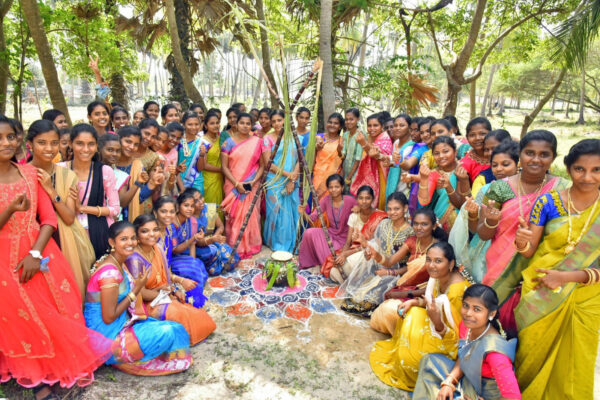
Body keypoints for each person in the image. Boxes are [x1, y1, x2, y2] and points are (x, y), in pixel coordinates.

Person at [0, 115, 112, 397]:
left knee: (51, 312)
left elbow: (49, 217)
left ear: (18, 140)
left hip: (40, 249)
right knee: (18, 316)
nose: (5, 143)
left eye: (10, 137)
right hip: (3, 256)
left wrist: (35, 253)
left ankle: (57, 367)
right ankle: (37, 382)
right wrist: (10, 210)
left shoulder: (29, 174)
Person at [513, 139, 600, 399]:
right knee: (530, 355)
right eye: (579, 169)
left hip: (586, 296)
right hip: (541, 289)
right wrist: (521, 241)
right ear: (568, 168)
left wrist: (568, 276)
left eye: (597, 170)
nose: (587, 177)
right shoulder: (547, 202)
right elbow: (530, 250)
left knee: (574, 362)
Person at [475, 130, 570, 335]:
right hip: (500, 272)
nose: (536, 159)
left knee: (530, 334)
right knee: (495, 329)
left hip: (541, 274)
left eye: (544, 154)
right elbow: (482, 233)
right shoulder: (500, 188)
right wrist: (491, 221)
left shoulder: (562, 190)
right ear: (520, 153)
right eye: (529, 153)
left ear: (553, 157)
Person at [84, 221, 192, 376]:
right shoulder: (109, 274)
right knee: (168, 332)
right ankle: (123, 358)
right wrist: (135, 291)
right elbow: (108, 317)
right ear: (111, 242)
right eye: (124, 239)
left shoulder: (117, 262)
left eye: (133, 238)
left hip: (121, 325)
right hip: (107, 338)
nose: (130, 243)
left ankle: (139, 354)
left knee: (176, 328)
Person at [369, 242, 470, 391]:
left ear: (451, 264)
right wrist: (414, 302)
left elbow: (458, 339)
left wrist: (437, 323)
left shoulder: (457, 292)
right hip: (435, 325)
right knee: (411, 312)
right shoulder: (438, 276)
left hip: (449, 344)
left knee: (411, 356)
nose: (431, 265)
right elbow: (433, 303)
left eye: (438, 261)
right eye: (428, 260)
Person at [413, 284, 521, 400]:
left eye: (477, 309)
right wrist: (449, 382)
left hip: (483, 395)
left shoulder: (495, 353)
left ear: (492, 314)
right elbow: (465, 356)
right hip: (469, 381)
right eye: (465, 306)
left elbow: (513, 397)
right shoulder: (467, 327)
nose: (468, 313)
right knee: (429, 361)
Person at [27, 120, 96, 297]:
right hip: (30, 240)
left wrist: (51, 191)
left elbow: (69, 218)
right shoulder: (21, 173)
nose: (49, 148)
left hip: (64, 240)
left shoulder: (67, 175)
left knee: (66, 292)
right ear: (29, 145)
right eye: (42, 143)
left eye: (54, 143)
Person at [125, 214, 216, 345]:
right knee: (180, 314)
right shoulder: (135, 259)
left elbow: (166, 274)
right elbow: (141, 293)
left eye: (155, 230)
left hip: (161, 294)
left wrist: (173, 289)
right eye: (145, 231)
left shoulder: (157, 248)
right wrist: (166, 293)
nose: (152, 234)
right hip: (146, 304)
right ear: (137, 236)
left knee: (195, 309)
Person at [348, 208, 443, 320]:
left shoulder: (439, 249)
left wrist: (405, 294)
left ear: (434, 226)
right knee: (363, 298)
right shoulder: (412, 241)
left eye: (424, 224)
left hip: (425, 291)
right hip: (404, 282)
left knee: (388, 309)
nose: (419, 228)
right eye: (416, 224)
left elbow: (436, 285)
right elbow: (389, 261)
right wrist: (371, 250)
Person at [449, 141, 520, 283]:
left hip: (517, 248)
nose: (499, 169)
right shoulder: (487, 189)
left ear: (518, 165)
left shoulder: (527, 193)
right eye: (494, 165)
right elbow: (475, 229)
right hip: (485, 250)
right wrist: (474, 214)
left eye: (505, 164)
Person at [336, 192, 413, 316]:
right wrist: (367, 253)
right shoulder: (384, 224)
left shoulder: (411, 232)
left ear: (405, 208)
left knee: (367, 302)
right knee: (352, 300)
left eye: (397, 209)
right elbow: (375, 245)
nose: (392, 212)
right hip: (377, 267)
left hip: (395, 274)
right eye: (390, 209)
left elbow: (410, 265)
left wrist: (389, 272)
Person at [59, 124, 120, 258]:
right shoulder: (59, 170)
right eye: (79, 143)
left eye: (91, 144)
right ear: (70, 143)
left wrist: (82, 208)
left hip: (100, 233)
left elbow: (115, 209)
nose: (85, 149)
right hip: (67, 233)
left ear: (97, 145)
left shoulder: (105, 171)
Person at [220, 113, 265, 259]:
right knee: (234, 215)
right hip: (233, 184)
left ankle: (251, 245)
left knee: (250, 214)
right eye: (242, 123)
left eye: (248, 123)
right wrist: (236, 183)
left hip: (252, 183)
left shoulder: (258, 142)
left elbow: (262, 166)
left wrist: (252, 182)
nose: (245, 126)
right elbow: (224, 167)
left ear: (252, 125)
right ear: (236, 124)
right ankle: (235, 245)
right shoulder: (228, 142)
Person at [325, 185, 387, 282]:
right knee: (333, 269)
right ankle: (353, 280)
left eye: (368, 198)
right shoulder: (354, 216)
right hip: (355, 251)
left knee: (353, 263)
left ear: (373, 199)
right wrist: (342, 255)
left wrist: (347, 254)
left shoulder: (380, 217)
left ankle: (355, 280)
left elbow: (375, 245)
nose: (364, 201)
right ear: (357, 199)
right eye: (361, 198)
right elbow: (348, 243)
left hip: (370, 253)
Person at [154, 196, 207, 307]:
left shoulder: (168, 229)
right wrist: (179, 281)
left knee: (195, 293)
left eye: (171, 212)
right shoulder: (153, 236)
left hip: (167, 273)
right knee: (186, 300)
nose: (168, 215)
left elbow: (166, 264)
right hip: (156, 280)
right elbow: (155, 270)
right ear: (155, 213)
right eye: (163, 211)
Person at [297, 174, 357, 269]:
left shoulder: (351, 201)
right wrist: (303, 213)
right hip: (330, 234)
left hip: (345, 240)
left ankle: (327, 263)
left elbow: (362, 215)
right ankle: (310, 262)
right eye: (331, 187)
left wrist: (359, 210)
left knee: (332, 259)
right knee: (309, 232)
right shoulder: (325, 200)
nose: (333, 190)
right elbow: (312, 218)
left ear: (342, 188)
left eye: (336, 187)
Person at [263, 109, 300, 253]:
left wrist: (293, 177)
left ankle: (290, 242)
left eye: (279, 120)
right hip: (274, 181)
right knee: (276, 211)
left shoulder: (295, 137)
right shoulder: (268, 139)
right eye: (274, 121)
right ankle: (275, 242)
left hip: (293, 179)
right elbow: (268, 163)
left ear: (285, 120)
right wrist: (287, 175)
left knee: (291, 211)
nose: (277, 124)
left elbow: (300, 160)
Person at [417, 136, 467, 232]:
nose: (441, 156)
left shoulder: (464, 168)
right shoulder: (434, 174)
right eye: (436, 153)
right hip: (441, 221)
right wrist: (423, 179)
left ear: (455, 152)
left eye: (446, 151)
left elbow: (462, 202)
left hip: (463, 220)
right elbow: (423, 201)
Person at [116, 126, 162, 222]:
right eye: (128, 142)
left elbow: (138, 198)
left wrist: (152, 184)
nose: (132, 147)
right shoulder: (109, 162)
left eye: (136, 144)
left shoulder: (137, 166)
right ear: (118, 140)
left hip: (128, 217)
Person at [352, 113, 393, 209]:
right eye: (369, 126)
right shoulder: (369, 137)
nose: (372, 128)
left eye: (375, 125)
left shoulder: (385, 138)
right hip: (370, 177)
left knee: (379, 205)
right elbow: (370, 153)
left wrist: (364, 144)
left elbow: (377, 154)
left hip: (381, 176)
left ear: (382, 126)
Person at [471, 129, 512, 198]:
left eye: (495, 148)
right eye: (486, 150)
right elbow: (476, 203)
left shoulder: (524, 174)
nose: (490, 153)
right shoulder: (483, 179)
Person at [313, 113, 344, 199]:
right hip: (317, 176)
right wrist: (316, 148)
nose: (332, 125)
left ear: (340, 126)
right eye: (330, 122)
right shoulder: (319, 137)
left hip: (333, 178)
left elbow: (342, 161)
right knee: (317, 205)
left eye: (336, 123)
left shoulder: (342, 142)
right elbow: (311, 156)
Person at [197, 112, 224, 210]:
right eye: (212, 123)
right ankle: (210, 225)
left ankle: (219, 226)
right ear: (205, 125)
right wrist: (222, 170)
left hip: (221, 179)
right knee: (211, 207)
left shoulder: (221, 139)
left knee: (220, 206)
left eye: (217, 123)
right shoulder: (203, 141)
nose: (216, 125)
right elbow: (204, 165)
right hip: (208, 179)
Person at [384, 114, 415, 199]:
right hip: (393, 181)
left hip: (405, 184)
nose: (397, 128)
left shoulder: (413, 146)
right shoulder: (396, 143)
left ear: (409, 128)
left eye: (402, 125)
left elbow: (405, 163)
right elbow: (394, 162)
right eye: (395, 125)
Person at [459, 117, 493, 183]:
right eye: (472, 135)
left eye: (482, 134)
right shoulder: (465, 164)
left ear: (491, 133)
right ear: (467, 138)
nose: (477, 138)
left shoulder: (501, 154)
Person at [179, 111, 205, 192]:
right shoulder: (178, 141)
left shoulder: (202, 143)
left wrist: (202, 155)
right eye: (190, 124)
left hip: (196, 182)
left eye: (196, 124)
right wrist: (181, 187)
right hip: (179, 181)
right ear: (183, 125)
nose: (194, 127)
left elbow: (200, 168)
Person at [340, 108, 363, 185]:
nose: (348, 122)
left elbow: (358, 159)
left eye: (351, 119)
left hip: (356, 173)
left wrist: (349, 177)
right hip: (346, 171)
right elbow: (343, 156)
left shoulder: (360, 135)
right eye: (346, 119)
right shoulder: (346, 135)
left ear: (358, 119)